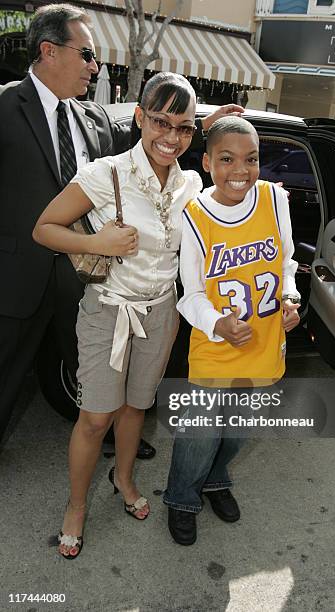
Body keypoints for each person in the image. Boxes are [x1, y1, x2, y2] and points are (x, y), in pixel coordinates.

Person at [0, 2, 242, 458]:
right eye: (87, 54)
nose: (95, 66)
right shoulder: (5, 106)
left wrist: (204, 125)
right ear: (49, 51)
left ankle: (113, 437)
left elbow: (148, 136)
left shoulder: (91, 118)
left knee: (91, 378)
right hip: (18, 276)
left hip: (85, 278)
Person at [33, 70, 224, 559]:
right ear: (140, 117)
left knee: (136, 408)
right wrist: (96, 242)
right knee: (95, 418)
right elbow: (45, 228)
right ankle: (76, 506)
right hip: (107, 312)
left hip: (160, 313)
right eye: (161, 122)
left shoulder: (192, 185)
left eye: (184, 127)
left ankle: (123, 478)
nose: (171, 137)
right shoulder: (107, 173)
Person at [163, 116, 301, 545]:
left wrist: (291, 299)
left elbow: (286, 264)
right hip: (217, 347)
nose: (240, 170)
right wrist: (219, 323)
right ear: (206, 162)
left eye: (251, 159)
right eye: (227, 159)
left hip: (263, 345)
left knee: (236, 431)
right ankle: (182, 498)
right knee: (200, 433)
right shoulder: (195, 216)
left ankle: (214, 482)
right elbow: (190, 295)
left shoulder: (275, 200)